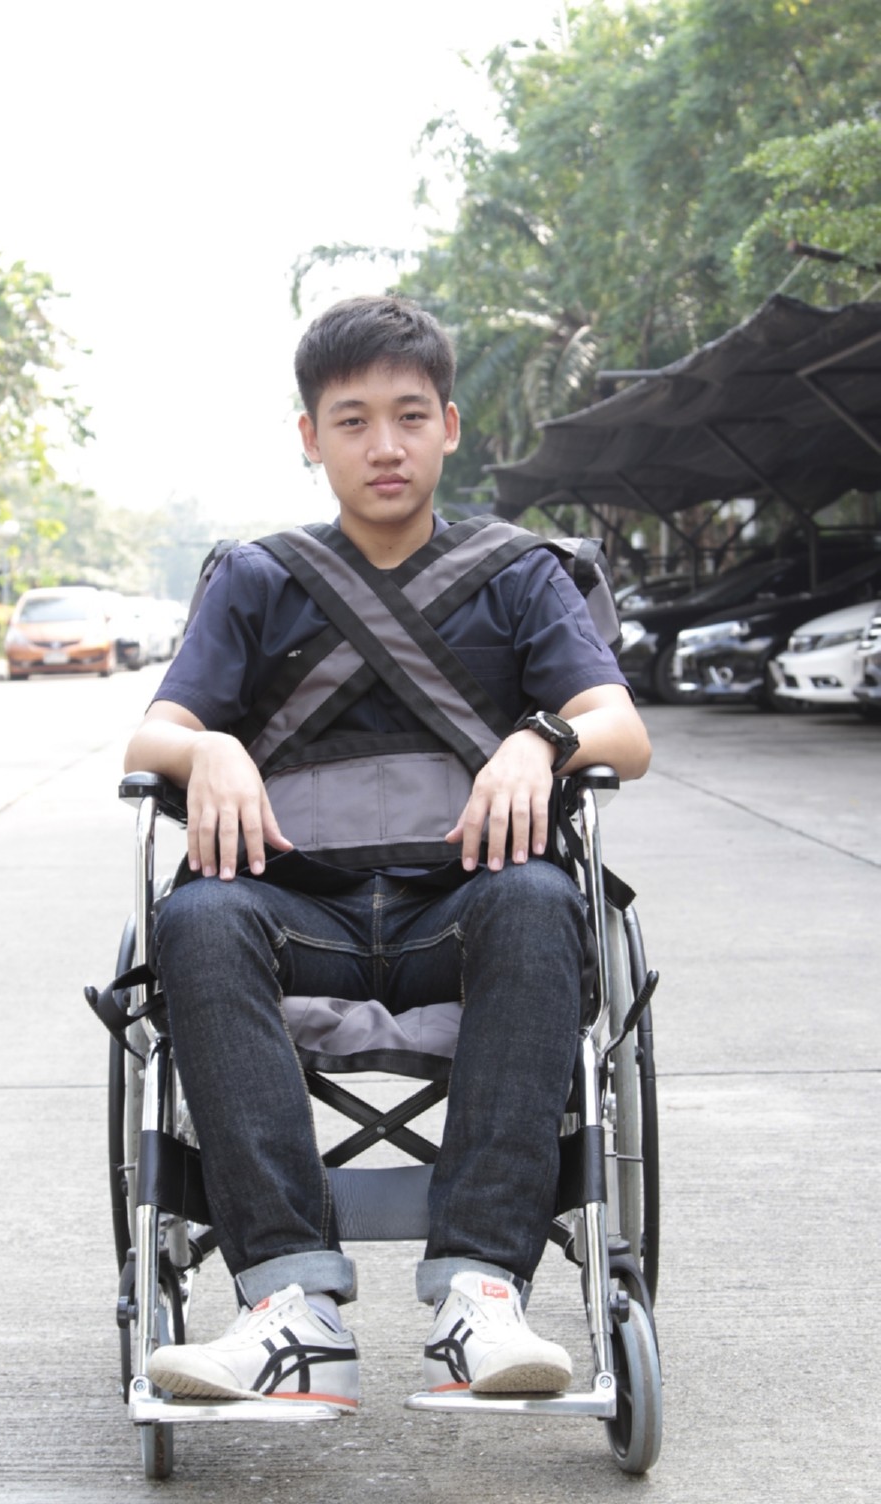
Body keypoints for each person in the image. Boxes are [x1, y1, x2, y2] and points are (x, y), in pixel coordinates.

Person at [124, 295, 651, 1411]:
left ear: (449, 427)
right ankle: (288, 1310)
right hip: (293, 918)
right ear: (310, 438)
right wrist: (208, 746)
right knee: (196, 917)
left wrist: (540, 739)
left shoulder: (519, 575)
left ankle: (481, 1299)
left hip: (461, 915)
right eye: (352, 421)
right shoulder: (258, 578)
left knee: (539, 898)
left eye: (410, 416)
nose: (385, 445)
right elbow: (150, 738)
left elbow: (622, 730)